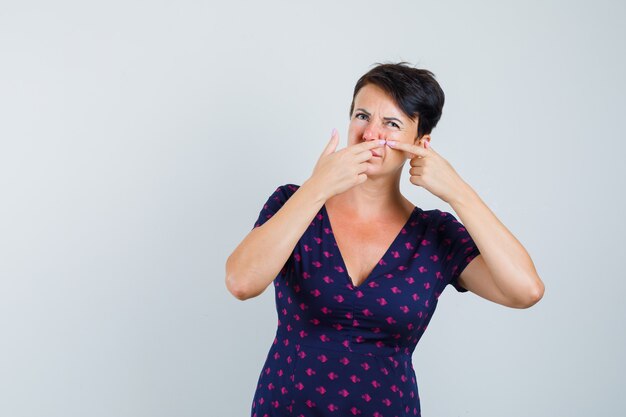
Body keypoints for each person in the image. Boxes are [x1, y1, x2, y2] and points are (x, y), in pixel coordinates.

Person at [225, 62, 545, 417]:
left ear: (420, 143)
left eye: (391, 124)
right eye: (362, 116)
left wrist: (458, 191)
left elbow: (525, 290)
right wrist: (317, 188)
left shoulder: (435, 234)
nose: (370, 134)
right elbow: (241, 282)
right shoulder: (293, 202)